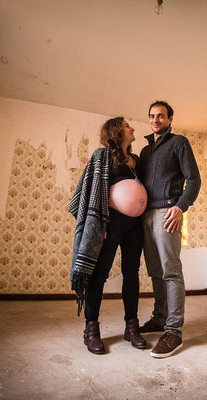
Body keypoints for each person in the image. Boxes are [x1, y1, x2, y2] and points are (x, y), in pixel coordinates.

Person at [69, 117, 148, 354]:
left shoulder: (137, 161)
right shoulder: (102, 156)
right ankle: (91, 330)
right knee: (99, 274)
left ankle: (131, 328)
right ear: (116, 131)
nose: (132, 128)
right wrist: (96, 224)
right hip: (109, 223)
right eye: (127, 126)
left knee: (131, 274)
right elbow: (87, 190)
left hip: (135, 224)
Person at [139, 101, 201, 358]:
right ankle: (160, 317)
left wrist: (180, 207)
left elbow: (194, 179)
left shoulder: (179, 143)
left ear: (170, 118)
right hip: (145, 215)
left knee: (170, 272)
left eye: (161, 116)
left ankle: (173, 331)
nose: (155, 120)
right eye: (152, 116)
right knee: (155, 271)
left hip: (167, 213)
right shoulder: (144, 151)